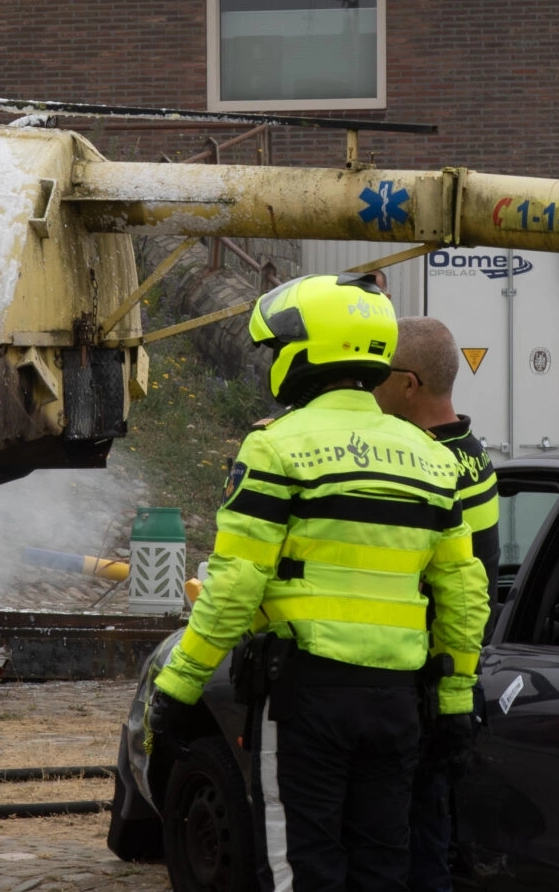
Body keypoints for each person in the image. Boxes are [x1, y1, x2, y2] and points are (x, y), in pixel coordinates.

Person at [149, 274, 490, 892]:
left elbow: (235, 585)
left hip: (306, 699)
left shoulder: (275, 449)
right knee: (383, 869)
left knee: (302, 870)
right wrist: (456, 700)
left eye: (279, 348)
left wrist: (178, 686)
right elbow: (465, 594)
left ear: (310, 352)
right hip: (398, 702)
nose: (274, 362)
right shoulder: (433, 461)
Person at [373, 315, 499, 892]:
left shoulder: (423, 464)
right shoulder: (473, 452)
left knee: (411, 843)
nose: (370, 388)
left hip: (423, 674)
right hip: (460, 671)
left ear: (408, 384)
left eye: (378, 375)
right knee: (433, 832)